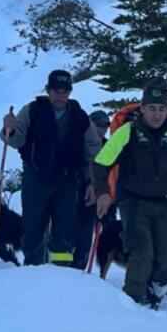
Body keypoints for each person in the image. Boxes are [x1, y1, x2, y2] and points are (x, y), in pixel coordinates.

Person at [93, 81, 167, 308]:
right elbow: (101, 164)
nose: (157, 114)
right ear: (142, 108)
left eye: (161, 109)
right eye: (152, 108)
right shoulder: (127, 133)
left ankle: (157, 289)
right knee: (141, 251)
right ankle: (133, 302)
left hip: (166, 203)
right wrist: (102, 193)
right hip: (133, 202)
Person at [2, 70, 101, 266]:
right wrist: (10, 129)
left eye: (64, 91)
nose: (60, 95)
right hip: (35, 180)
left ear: (70, 92)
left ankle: (60, 274)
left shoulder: (80, 117)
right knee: (32, 231)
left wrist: (92, 182)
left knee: (65, 232)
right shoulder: (31, 110)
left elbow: (93, 150)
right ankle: (33, 270)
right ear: (48, 90)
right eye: (56, 90)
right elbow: (15, 140)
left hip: (68, 183)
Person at [72, 110, 111, 270]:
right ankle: (60, 268)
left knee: (85, 240)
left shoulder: (110, 147)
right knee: (65, 237)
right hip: (73, 197)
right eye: (98, 125)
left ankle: (79, 271)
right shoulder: (78, 143)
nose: (101, 129)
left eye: (105, 125)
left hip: (96, 202)